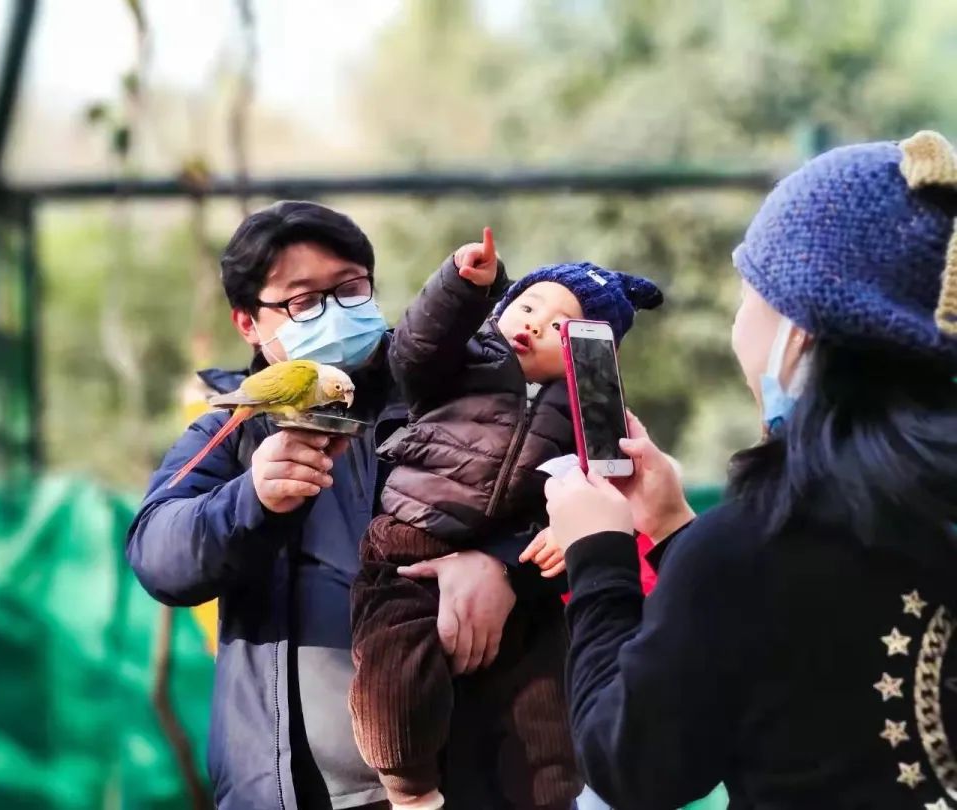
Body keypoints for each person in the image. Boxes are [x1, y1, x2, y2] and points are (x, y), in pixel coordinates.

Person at [543, 130, 957, 809]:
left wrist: (599, 559)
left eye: (748, 296)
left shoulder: (746, 551)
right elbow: (786, 642)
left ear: (798, 334)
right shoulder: (922, 521)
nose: (740, 322)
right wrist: (678, 528)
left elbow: (632, 766)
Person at [126, 201, 551, 810]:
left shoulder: (449, 393)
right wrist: (252, 500)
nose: (333, 312)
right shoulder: (239, 428)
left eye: (349, 289)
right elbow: (157, 553)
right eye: (302, 301)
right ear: (249, 323)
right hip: (293, 790)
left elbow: (566, 504)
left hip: (474, 774)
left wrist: (505, 564)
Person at [348, 229, 663, 810]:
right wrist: (463, 287)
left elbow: (598, 491)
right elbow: (415, 348)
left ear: (593, 349)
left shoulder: (587, 409)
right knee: (395, 671)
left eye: (561, 328)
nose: (534, 326)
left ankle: (552, 799)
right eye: (526, 306)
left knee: (544, 709)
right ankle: (411, 790)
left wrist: (556, 539)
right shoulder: (464, 364)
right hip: (410, 540)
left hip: (519, 569)